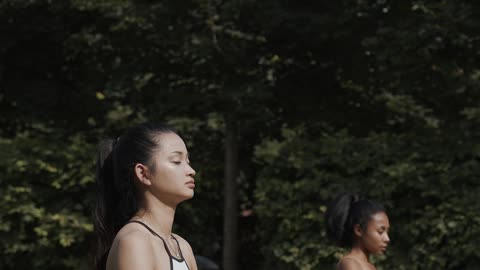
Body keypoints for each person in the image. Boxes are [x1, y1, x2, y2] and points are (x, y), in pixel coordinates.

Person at [94, 123, 198, 270]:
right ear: (143, 174)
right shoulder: (134, 241)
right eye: (176, 161)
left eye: (188, 161)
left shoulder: (183, 247)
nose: (191, 170)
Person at [325, 193, 390, 270]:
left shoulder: (369, 266)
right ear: (359, 230)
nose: (387, 239)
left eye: (387, 232)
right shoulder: (349, 263)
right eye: (380, 232)